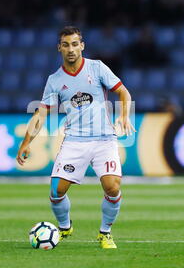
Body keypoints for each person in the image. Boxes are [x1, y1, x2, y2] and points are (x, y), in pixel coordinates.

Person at [16, 26, 135, 249]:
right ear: (59, 48)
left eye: (74, 44)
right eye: (65, 45)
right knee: (56, 191)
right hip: (75, 140)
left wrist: (125, 116)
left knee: (112, 186)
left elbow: (123, 91)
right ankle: (64, 226)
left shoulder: (97, 68)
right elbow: (41, 113)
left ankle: (105, 233)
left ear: (82, 45)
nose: (70, 49)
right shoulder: (55, 80)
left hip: (104, 139)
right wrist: (26, 143)